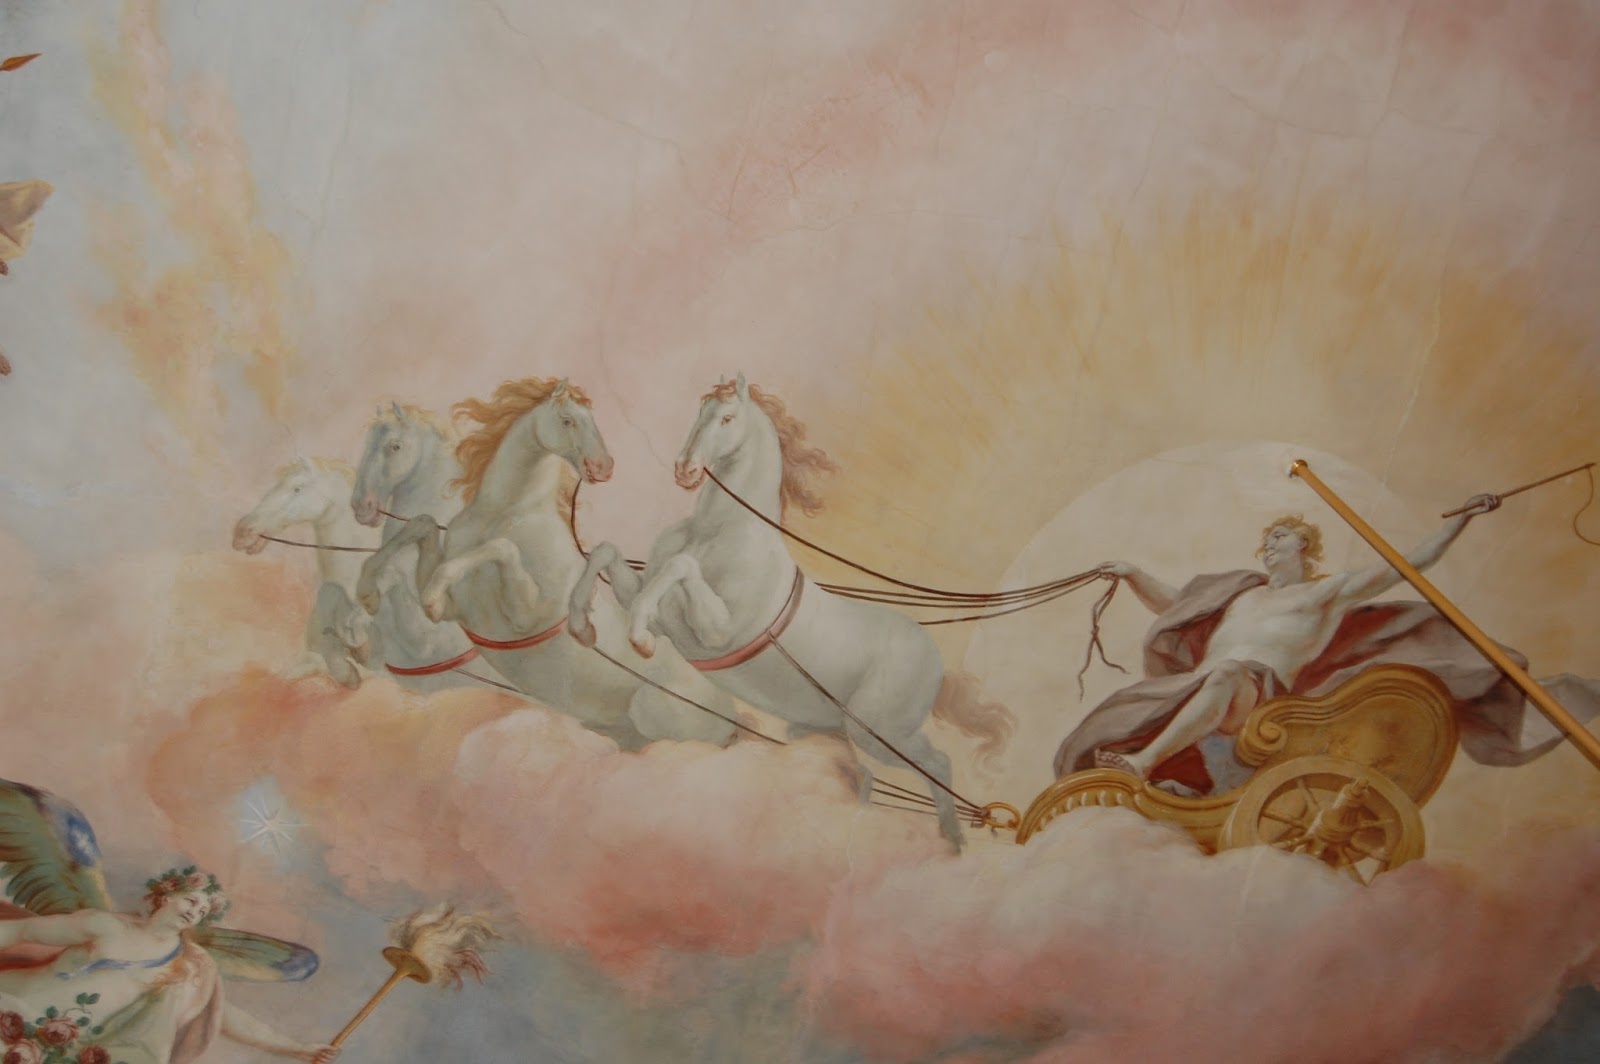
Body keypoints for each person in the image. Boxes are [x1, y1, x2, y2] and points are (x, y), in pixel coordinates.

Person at [1055, 495, 1600, 794]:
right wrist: (1132, 573)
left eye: (1280, 537)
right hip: (1196, 694)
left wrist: (1458, 522)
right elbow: (1175, 605)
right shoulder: (1240, 594)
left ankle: (1144, 763)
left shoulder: (1323, 594)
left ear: (1304, 547)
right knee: (1143, 703)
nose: (1269, 545)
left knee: (1227, 673)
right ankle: (1147, 768)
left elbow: (1406, 566)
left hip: (1258, 702)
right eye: (1267, 539)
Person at [0, 868, 338, 1064]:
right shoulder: (107, 927)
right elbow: (21, 931)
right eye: (190, 901)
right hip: (13, 1012)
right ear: (166, 896)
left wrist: (296, 1048)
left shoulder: (191, 966)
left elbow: (224, 1017)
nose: (194, 912)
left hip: (58, 1051)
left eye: (202, 911)